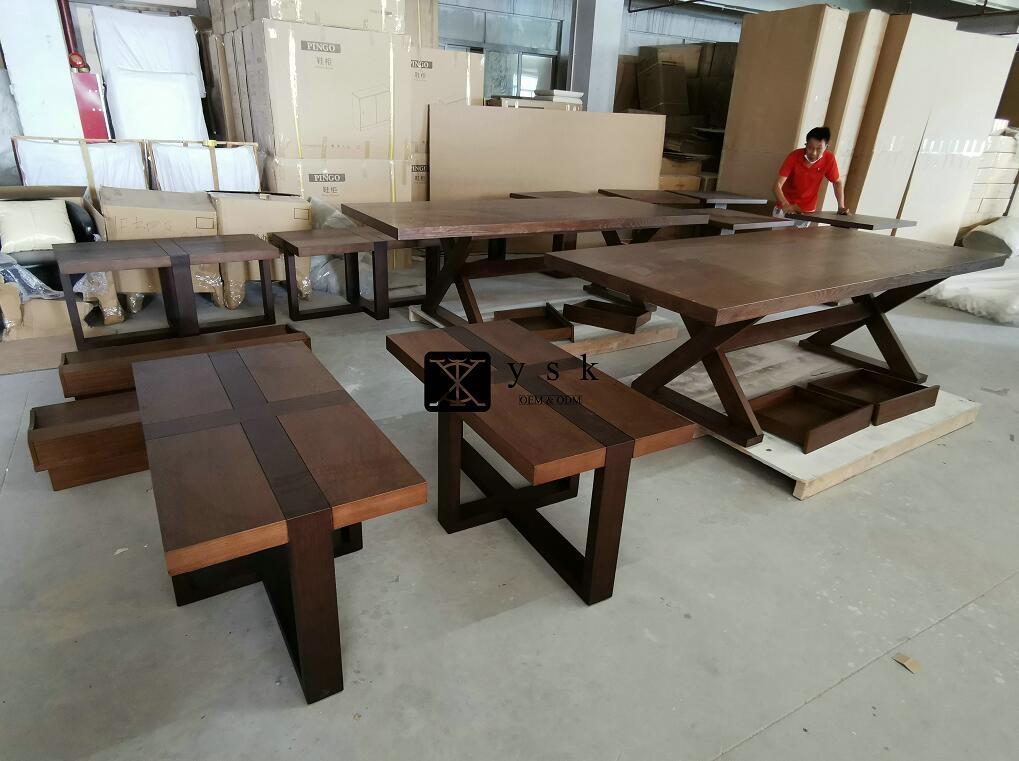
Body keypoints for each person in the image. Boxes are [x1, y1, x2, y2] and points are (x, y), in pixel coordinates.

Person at [773, 126, 848, 222]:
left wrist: (841, 206)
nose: (813, 153)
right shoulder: (794, 156)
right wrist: (785, 204)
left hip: (807, 211)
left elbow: (837, 182)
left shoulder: (829, 158)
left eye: (819, 149)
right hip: (785, 208)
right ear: (806, 144)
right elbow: (777, 185)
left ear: (826, 147)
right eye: (810, 148)